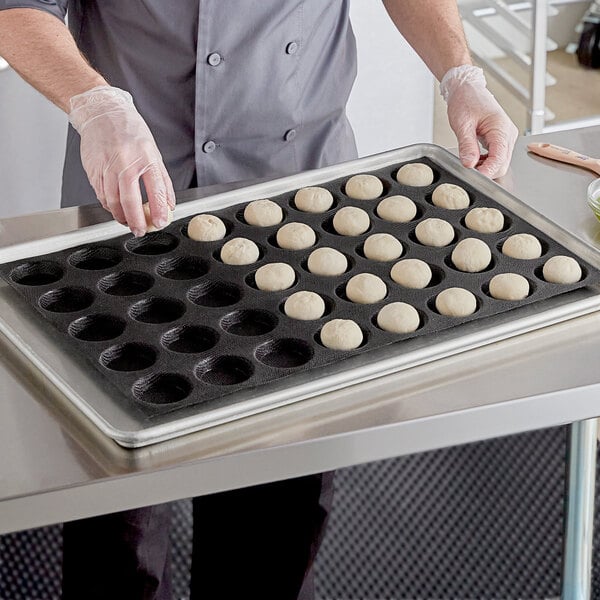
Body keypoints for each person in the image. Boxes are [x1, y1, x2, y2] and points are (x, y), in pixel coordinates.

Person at [0, 2, 518, 599]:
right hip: (132, 198)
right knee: (119, 521)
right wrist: (95, 103)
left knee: (277, 514)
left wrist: (460, 75)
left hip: (304, 202)